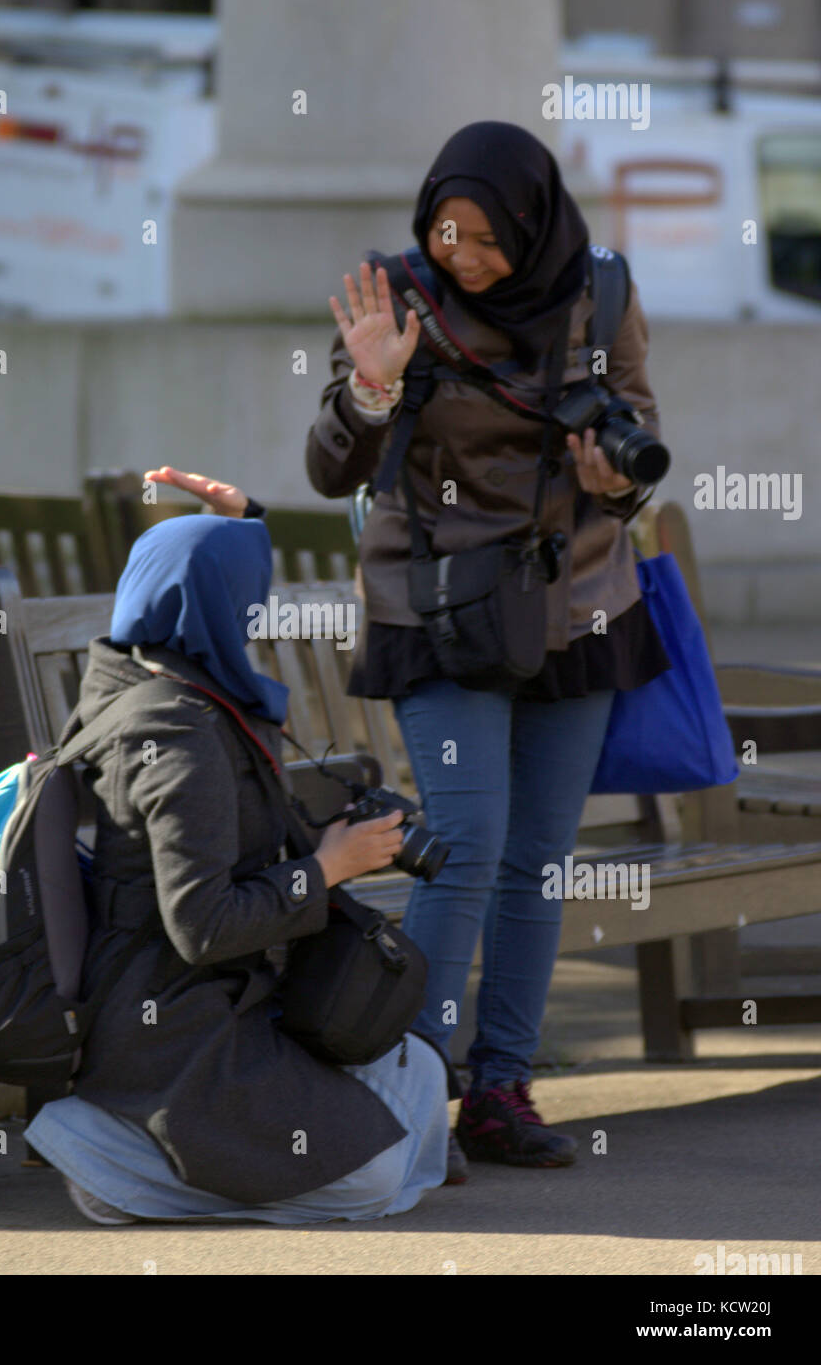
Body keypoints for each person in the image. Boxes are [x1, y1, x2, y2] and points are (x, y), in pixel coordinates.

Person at [303, 120, 670, 1179]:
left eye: (482, 238)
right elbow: (331, 467)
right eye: (444, 230)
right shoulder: (395, 295)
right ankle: (417, 1085)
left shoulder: (597, 291)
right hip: (438, 607)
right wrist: (368, 390)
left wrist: (616, 481)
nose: (461, 254)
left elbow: (638, 428)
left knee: (536, 858)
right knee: (462, 838)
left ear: (531, 225)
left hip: (574, 604)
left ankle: (500, 1088)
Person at [24, 510, 449, 1224]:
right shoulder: (176, 731)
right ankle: (104, 1155)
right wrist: (328, 867)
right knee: (375, 1179)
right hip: (173, 1023)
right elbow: (203, 924)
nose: (257, 614)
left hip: (228, 1000)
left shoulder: (141, 680)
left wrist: (324, 844)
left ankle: (158, 1150)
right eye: (251, 596)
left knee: (423, 1074)